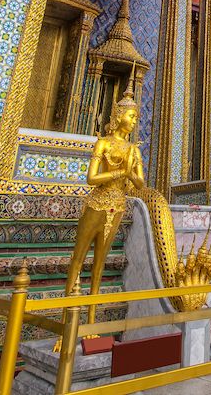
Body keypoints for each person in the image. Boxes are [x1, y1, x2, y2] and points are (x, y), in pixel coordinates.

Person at [65, 88, 145, 297]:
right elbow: (92, 179)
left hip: (117, 205)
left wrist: (129, 174)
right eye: (131, 116)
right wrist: (121, 171)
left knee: (100, 263)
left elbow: (140, 184)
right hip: (96, 203)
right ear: (119, 116)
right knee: (78, 259)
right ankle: (67, 312)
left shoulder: (133, 149)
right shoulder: (103, 143)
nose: (134, 121)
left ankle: (91, 319)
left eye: (136, 117)